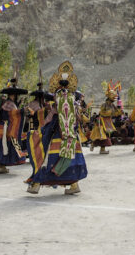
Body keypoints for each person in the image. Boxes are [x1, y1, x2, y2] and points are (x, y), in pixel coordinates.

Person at [26, 61, 88, 195]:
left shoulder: (58, 96)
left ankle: (36, 184)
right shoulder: (72, 98)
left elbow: (54, 115)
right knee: (70, 158)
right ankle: (74, 185)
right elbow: (76, 117)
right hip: (71, 133)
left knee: (45, 154)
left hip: (57, 130)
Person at [0, 82, 28, 173]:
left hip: (2, 127)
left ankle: (1, 164)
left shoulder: (8, 103)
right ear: (14, 95)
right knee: (3, 146)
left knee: (3, 146)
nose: (18, 97)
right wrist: (22, 111)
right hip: (5, 128)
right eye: (17, 95)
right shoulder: (9, 103)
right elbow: (12, 114)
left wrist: (19, 105)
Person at [89, 88, 123, 154]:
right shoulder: (104, 105)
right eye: (112, 95)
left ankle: (102, 149)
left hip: (107, 122)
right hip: (101, 122)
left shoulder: (112, 105)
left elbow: (115, 113)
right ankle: (93, 144)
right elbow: (102, 113)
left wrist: (119, 112)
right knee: (100, 135)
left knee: (105, 135)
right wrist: (110, 112)